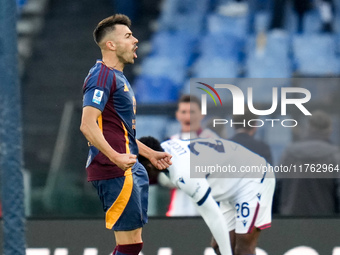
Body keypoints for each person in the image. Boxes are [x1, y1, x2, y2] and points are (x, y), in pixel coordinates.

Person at [80, 14, 172, 255]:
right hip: (116, 169)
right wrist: (115, 157)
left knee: (132, 244)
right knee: (130, 246)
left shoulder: (117, 77)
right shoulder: (102, 76)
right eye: (128, 36)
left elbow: (120, 132)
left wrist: (150, 153)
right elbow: (87, 125)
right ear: (111, 44)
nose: (136, 40)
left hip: (128, 166)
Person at [139, 136, 275, 255]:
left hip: (253, 178)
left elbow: (214, 217)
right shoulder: (164, 147)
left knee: (243, 249)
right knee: (220, 247)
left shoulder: (184, 173)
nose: (138, 175)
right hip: (233, 184)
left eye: (140, 169)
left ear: (150, 165)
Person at [278, 110, 340, 216]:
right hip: (326, 224)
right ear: (330, 131)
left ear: (307, 129)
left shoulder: (289, 154)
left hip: (289, 222)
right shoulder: (334, 156)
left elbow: (277, 187)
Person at [166, 94, 220, 216]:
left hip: (206, 209)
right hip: (177, 209)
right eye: (183, 112)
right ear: (177, 115)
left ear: (202, 114)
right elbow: (162, 177)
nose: (187, 116)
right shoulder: (170, 143)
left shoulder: (212, 141)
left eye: (192, 112)